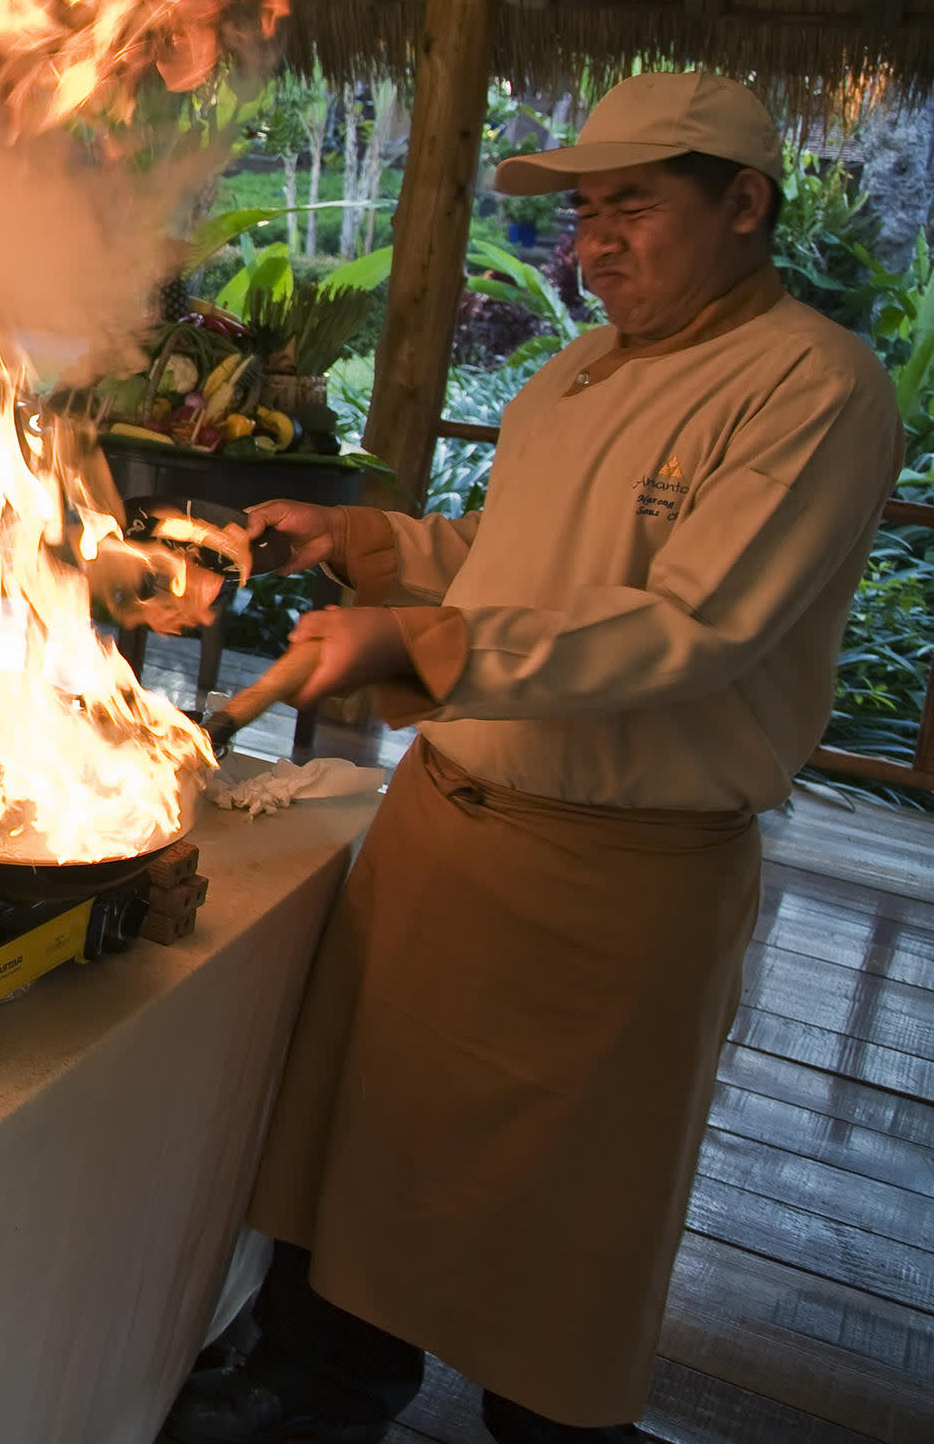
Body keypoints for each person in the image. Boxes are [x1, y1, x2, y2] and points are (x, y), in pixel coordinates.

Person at [169, 72, 901, 1444]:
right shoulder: (577, 370)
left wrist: (418, 644)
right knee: (361, 1168)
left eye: (634, 205)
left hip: (612, 884)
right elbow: (515, 566)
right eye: (584, 212)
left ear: (745, 204)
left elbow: (694, 628)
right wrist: (368, 547)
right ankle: (315, 1393)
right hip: (445, 834)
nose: (595, 243)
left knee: (565, 1240)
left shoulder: (812, 384)